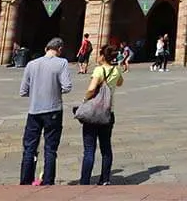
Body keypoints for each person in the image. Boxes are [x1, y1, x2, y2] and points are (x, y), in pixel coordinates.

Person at [18, 37, 73, 186]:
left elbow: (23, 91)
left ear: (46, 48)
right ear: (60, 49)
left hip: (34, 110)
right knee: (50, 148)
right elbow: (67, 87)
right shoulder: (62, 63)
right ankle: (48, 181)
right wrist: (54, 90)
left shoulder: (31, 64)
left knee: (29, 148)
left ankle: (25, 180)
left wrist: (37, 92)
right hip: (53, 110)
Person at [78, 45, 125, 185]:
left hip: (93, 113)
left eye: (99, 54)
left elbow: (92, 89)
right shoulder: (116, 70)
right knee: (106, 148)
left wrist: (85, 99)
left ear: (103, 56)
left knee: (89, 150)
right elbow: (120, 83)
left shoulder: (99, 70)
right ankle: (105, 179)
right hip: (108, 113)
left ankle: (85, 181)